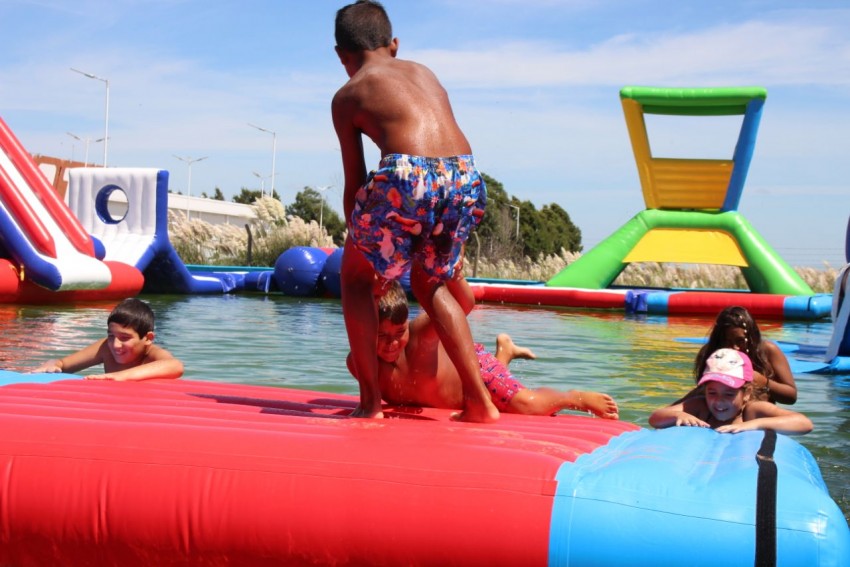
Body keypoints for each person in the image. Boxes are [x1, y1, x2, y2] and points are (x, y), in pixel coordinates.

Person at [332, 0, 496, 422]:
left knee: (351, 280)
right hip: (465, 175)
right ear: (395, 45)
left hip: (409, 172)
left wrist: (363, 250)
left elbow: (356, 180)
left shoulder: (349, 93)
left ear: (341, 56)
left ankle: (370, 403)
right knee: (430, 283)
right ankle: (479, 401)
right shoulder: (424, 72)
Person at [347, 279, 620, 419]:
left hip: (476, 371)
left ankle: (574, 397)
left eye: (399, 332)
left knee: (527, 405)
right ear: (365, 330)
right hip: (456, 394)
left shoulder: (419, 335)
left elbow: (463, 305)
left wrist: (455, 274)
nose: (392, 343)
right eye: (382, 335)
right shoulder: (358, 362)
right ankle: (506, 351)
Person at [649, 348, 812, 434]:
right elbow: (655, 418)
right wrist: (679, 415)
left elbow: (804, 423)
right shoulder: (700, 407)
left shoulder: (753, 411)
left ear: (746, 393)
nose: (719, 401)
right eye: (712, 392)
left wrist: (753, 425)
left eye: (729, 394)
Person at [31, 298, 183, 381]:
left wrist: (120, 376)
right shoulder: (106, 348)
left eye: (125, 338)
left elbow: (175, 366)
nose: (116, 345)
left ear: (148, 338)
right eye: (111, 336)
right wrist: (52, 364)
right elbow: (63, 364)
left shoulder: (152, 355)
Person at [693, 306, 797, 404]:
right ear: (718, 341)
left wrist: (763, 382)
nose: (734, 347)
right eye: (726, 342)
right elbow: (701, 392)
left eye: (741, 341)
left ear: (752, 338)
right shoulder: (713, 355)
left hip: (758, 415)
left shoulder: (767, 351)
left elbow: (791, 396)